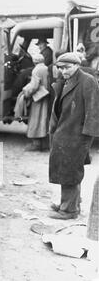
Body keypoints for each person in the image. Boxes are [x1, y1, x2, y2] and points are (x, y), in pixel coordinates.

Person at [49, 52, 99, 220]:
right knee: (67, 170)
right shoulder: (66, 81)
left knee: (71, 171)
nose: (64, 71)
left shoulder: (87, 81)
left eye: (67, 68)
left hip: (77, 136)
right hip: (65, 133)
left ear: (77, 65)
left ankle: (69, 211)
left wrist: (86, 140)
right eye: (60, 68)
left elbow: (94, 112)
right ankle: (69, 203)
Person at [21, 54, 50, 151]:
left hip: (38, 98)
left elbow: (34, 86)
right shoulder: (46, 68)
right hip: (46, 96)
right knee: (44, 119)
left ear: (34, 61)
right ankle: (44, 144)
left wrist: (26, 92)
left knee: (35, 120)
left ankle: (36, 144)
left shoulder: (36, 70)